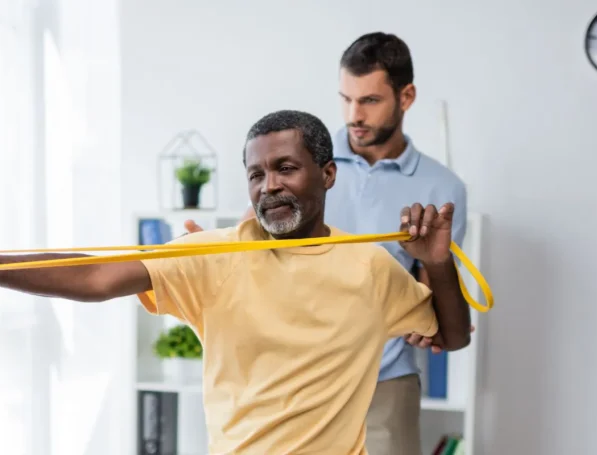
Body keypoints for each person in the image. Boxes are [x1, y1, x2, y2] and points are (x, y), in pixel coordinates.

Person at [0, 109, 472, 454]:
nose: (270, 187)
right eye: (257, 175)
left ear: (327, 176)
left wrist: (437, 263)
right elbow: (98, 274)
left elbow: (452, 333)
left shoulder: (368, 267)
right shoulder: (211, 254)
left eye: (286, 168)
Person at [177, 32, 468, 455]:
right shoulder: (302, 159)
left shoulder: (444, 187)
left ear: (406, 97)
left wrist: (430, 324)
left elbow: (430, 293)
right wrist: (204, 254)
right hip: (296, 373)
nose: (355, 115)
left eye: (369, 100)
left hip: (385, 376)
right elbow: (252, 242)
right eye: (346, 99)